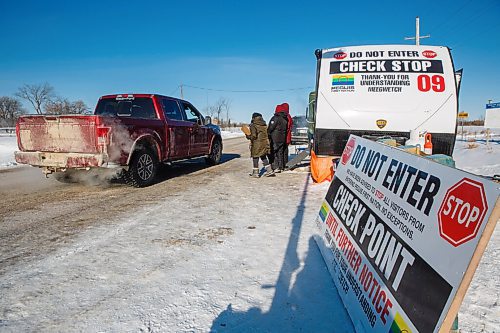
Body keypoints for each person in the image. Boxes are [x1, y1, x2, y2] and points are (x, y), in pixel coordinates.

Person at [245, 113, 275, 178]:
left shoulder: (253, 125)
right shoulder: (264, 125)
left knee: (255, 157)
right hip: (264, 143)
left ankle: (255, 173)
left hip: (257, 144)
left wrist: (247, 135)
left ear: (253, 118)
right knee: (263, 156)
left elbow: (253, 136)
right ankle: (269, 171)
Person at [268, 104, 289, 172]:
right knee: (280, 152)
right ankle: (281, 167)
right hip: (282, 138)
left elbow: (271, 128)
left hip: (275, 138)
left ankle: (275, 167)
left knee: (274, 152)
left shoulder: (275, 118)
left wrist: (268, 133)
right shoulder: (285, 118)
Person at [281, 102, 293, 167]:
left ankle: (283, 164)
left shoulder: (286, 116)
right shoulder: (289, 116)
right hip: (288, 136)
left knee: (283, 151)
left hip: (285, 136)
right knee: (285, 150)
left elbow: (287, 126)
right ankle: (285, 163)